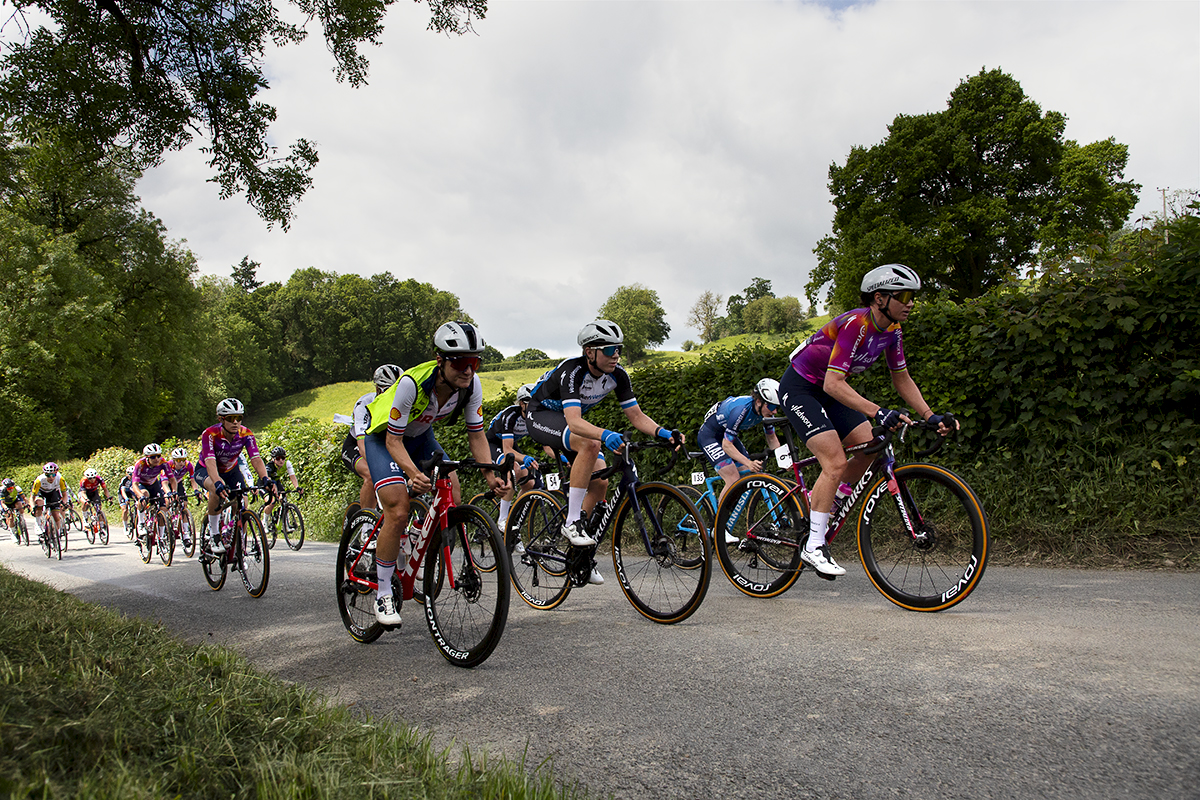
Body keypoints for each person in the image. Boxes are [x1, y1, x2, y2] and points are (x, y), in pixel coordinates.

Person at [780, 264, 957, 578]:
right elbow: (833, 384)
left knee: (872, 445)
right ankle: (814, 544)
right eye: (903, 295)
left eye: (913, 296)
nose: (911, 303)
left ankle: (825, 501)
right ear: (879, 298)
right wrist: (879, 411)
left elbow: (902, 379)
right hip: (801, 387)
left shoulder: (893, 332)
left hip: (829, 390)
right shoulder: (855, 325)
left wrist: (930, 416)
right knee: (834, 462)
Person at [360, 321, 509, 627]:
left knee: (451, 487)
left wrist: (490, 474)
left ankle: (421, 542)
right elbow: (393, 440)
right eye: (460, 362)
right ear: (440, 360)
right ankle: (384, 592)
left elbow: (477, 435)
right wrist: (412, 473)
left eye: (475, 362)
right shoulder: (412, 385)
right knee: (398, 509)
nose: (468, 370)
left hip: (420, 437)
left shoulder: (472, 387)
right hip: (384, 439)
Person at [525, 320, 684, 585]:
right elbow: (575, 423)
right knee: (591, 444)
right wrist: (606, 434)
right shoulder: (572, 371)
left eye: (618, 349)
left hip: (567, 421)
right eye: (609, 350)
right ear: (590, 352)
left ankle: (581, 556)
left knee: (601, 482)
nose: (616, 355)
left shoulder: (617, 375)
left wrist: (663, 432)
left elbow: (635, 415)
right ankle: (571, 522)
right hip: (541, 415)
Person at [697, 378, 784, 543]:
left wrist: (783, 460)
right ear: (759, 401)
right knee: (732, 478)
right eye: (772, 407)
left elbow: (772, 439)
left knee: (751, 470)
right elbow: (727, 446)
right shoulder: (741, 410)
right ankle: (718, 528)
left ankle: (724, 513)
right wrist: (749, 461)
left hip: (726, 435)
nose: (774, 412)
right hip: (710, 436)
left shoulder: (763, 412)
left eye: (777, 408)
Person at [197, 398, 274, 554]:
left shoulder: (246, 434)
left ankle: (239, 541)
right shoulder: (210, 434)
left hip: (231, 471)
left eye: (239, 418)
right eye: (231, 418)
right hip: (206, 469)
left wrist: (265, 478)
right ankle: (214, 535)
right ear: (221, 419)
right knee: (215, 489)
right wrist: (218, 482)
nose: (236, 422)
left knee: (243, 502)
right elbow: (210, 461)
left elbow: (256, 459)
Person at [340, 364, 402, 511]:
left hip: (383, 446)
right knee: (370, 473)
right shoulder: (364, 404)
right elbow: (362, 445)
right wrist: (379, 468)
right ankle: (365, 525)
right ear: (378, 389)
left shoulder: (402, 405)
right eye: (388, 391)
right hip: (355, 446)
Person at [484, 383, 542, 529]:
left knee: (529, 483)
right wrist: (525, 458)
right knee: (512, 470)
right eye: (531, 402)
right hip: (492, 444)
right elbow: (508, 449)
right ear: (522, 403)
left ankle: (513, 517)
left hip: (509, 443)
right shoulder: (511, 415)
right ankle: (502, 521)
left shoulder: (535, 417)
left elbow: (546, 443)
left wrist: (561, 457)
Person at [131, 444, 178, 530]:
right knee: (144, 494)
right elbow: (135, 484)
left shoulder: (163, 462)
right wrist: (140, 496)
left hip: (154, 483)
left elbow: (172, 479)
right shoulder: (140, 464)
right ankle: (140, 523)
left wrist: (174, 491)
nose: (156, 459)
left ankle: (161, 536)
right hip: (141, 484)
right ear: (147, 457)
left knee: (163, 508)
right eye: (153, 457)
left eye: (158, 456)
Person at [261, 446, 301, 529]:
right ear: (273, 459)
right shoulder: (270, 466)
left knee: (284, 499)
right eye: (278, 458)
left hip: (276, 481)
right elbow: (267, 477)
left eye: (283, 458)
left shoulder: (287, 463)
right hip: (265, 483)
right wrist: (272, 485)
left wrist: (297, 487)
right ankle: (264, 522)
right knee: (272, 501)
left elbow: (292, 476)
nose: (281, 460)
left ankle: (286, 525)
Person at [30, 462, 67, 538]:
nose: (51, 477)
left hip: (53, 492)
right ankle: (38, 524)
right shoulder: (39, 480)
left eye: (53, 475)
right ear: (44, 474)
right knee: (40, 503)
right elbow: (32, 497)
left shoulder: (60, 479)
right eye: (48, 475)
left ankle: (57, 535)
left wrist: (64, 503)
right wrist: (33, 507)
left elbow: (65, 495)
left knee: (56, 515)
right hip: (41, 492)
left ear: (56, 473)